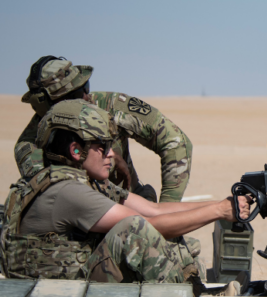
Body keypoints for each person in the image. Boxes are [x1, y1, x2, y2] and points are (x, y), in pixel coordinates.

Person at [1, 99, 249, 290]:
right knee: (136, 232)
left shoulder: (85, 182)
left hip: (73, 284)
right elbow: (147, 225)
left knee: (172, 237)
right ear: (76, 151)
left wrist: (225, 204)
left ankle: (192, 291)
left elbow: (155, 210)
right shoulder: (67, 192)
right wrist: (220, 212)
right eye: (102, 146)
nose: (111, 154)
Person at [15, 55, 191, 202]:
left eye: (85, 86)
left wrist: (168, 209)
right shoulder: (30, 147)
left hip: (132, 211)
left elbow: (175, 142)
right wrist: (110, 162)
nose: (86, 95)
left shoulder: (110, 105)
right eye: (76, 95)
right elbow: (62, 192)